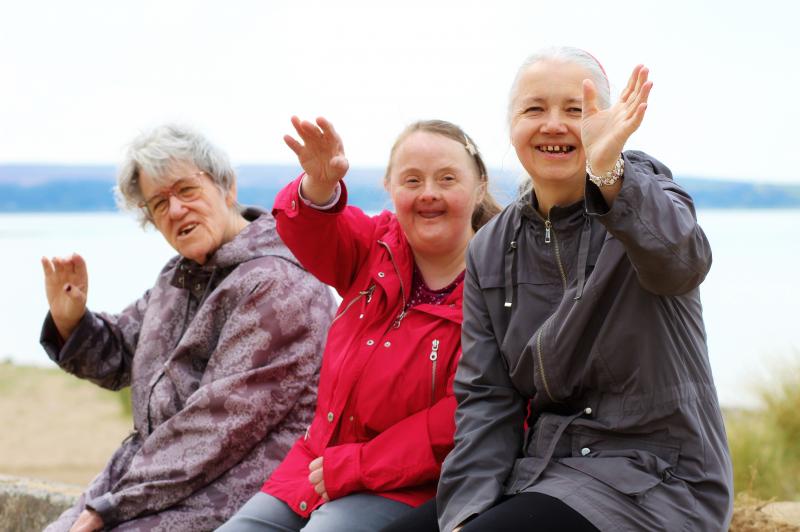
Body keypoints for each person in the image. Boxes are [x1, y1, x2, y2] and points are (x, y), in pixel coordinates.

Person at [392, 46, 734, 531]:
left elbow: (682, 263)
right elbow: (488, 400)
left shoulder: (648, 194)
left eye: (575, 111)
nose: (553, 125)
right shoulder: (491, 246)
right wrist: (464, 515)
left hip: (656, 476)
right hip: (543, 468)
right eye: (534, 109)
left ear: (609, 119)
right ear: (511, 126)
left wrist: (610, 170)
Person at [40, 124, 336, 532]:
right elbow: (120, 355)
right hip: (159, 485)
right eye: (159, 203)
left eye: (186, 190)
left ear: (226, 187)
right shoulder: (180, 274)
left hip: (241, 493)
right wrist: (70, 318)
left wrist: (108, 508)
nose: (175, 210)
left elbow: (217, 428)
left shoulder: (278, 283)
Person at [217, 116, 502, 531]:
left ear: (478, 187)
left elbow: (465, 418)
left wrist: (357, 466)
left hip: (414, 487)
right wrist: (319, 186)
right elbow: (309, 229)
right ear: (388, 187)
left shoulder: (497, 286)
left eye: (446, 179)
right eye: (411, 180)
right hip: (314, 466)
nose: (429, 194)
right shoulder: (375, 245)